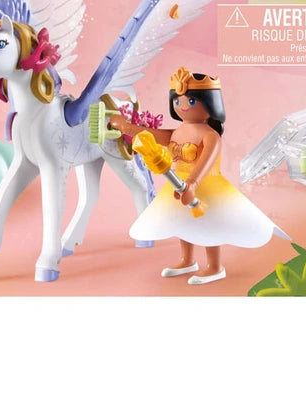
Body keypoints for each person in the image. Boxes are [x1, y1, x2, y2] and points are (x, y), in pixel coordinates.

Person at [109, 67, 287, 285]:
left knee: (209, 225)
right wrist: (125, 127)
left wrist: (192, 184)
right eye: (177, 100)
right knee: (183, 222)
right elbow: (150, 136)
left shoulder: (211, 136)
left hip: (206, 186)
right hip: (178, 184)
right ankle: (187, 260)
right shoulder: (177, 132)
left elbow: (206, 163)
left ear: (210, 104)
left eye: (191, 101)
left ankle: (215, 266)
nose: (183, 105)